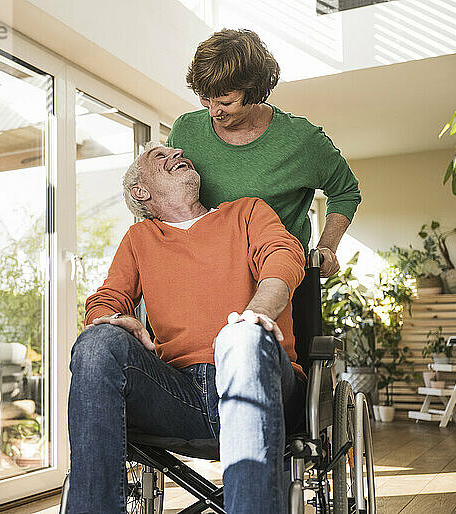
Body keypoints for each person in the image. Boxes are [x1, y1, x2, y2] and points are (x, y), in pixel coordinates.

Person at [66, 142, 306, 514]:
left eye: (175, 152)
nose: (176, 153)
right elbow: (107, 297)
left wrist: (255, 315)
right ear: (141, 192)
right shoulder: (139, 239)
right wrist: (113, 319)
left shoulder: (246, 212)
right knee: (97, 341)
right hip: (182, 395)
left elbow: (282, 257)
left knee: (239, 338)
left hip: (262, 378)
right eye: (160, 157)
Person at [167, 28, 361, 278]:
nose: (214, 111)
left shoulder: (302, 140)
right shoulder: (185, 130)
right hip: (203, 276)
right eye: (205, 98)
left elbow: (346, 191)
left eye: (226, 102)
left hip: (277, 278)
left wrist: (327, 247)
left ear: (254, 91)